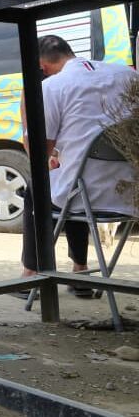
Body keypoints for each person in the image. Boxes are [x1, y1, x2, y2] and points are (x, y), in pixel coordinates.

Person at [16, 35, 139, 297]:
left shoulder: (53, 87)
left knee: (42, 186)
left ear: (42, 67)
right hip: (131, 193)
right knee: (72, 180)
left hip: (86, 195)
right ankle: (80, 272)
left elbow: (38, 155)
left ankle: (30, 276)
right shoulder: (128, 76)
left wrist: (26, 105)